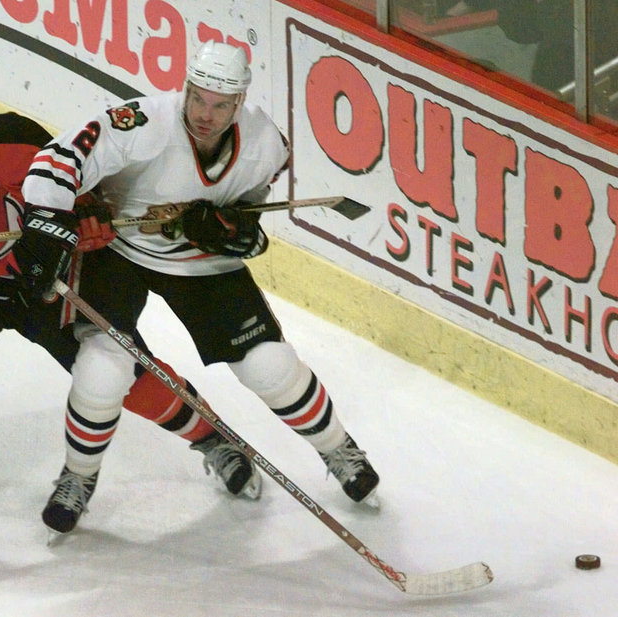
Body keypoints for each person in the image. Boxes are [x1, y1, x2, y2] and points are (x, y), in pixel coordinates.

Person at [0, 69, 261, 544]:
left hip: (42, 279)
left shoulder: (15, 136)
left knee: (121, 372)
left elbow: (79, 187)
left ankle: (215, 440)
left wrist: (89, 213)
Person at [19, 41, 380, 533]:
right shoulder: (142, 123)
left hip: (198, 263)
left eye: (219, 104)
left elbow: (248, 214)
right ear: (184, 88)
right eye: (197, 98)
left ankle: (340, 450)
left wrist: (233, 231)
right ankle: (78, 477)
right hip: (117, 252)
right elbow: (57, 161)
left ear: (239, 103)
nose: (205, 114)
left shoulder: (267, 145)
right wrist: (52, 218)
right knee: (102, 372)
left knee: (269, 366)